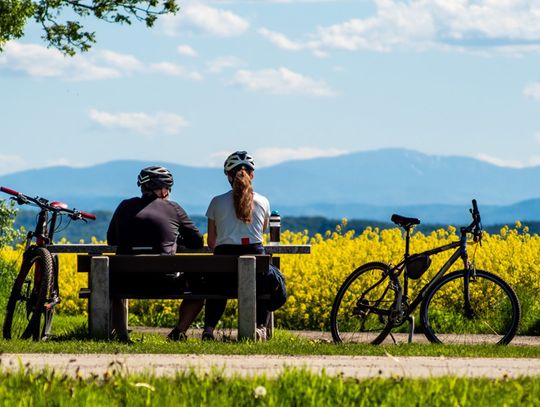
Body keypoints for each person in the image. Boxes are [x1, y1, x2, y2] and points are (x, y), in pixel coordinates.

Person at [169, 151, 285, 341]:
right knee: (265, 280)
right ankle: (259, 328)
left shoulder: (216, 202)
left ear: (228, 176)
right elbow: (262, 233)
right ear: (252, 175)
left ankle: (208, 330)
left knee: (217, 286)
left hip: (222, 279)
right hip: (256, 278)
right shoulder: (263, 202)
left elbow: (212, 243)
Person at [107, 165, 204, 342]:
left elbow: (111, 240)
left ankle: (122, 336)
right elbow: (197, 241)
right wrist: (176, 239)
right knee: (201, 285)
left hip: (126, 283)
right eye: (168, 188)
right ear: (162, 189)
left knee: (113, 287)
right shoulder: (173, 208)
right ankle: (178, 332)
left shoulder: (124, 206)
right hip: (165, 283)